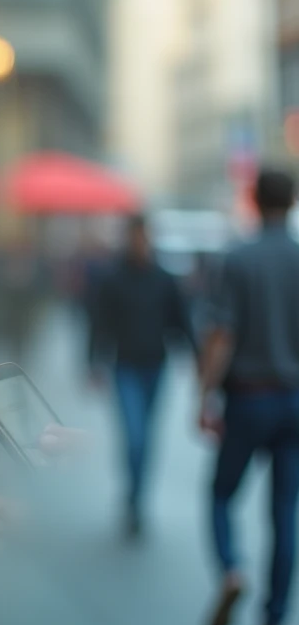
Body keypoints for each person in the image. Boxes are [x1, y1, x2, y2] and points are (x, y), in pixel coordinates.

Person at [199, 168, 299, 625]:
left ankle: (232, 569)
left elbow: (222, 335)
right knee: (285, 514)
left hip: (249, 399)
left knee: (219, 495)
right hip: (295, 403)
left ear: (255, 200)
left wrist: (204, 397)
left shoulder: (238, 258)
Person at [88, 213, 196, 538]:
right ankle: (133, 496)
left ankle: (138, 498)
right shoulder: (113, 278)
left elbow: (181, 320)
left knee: (147, 438)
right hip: (125, 367)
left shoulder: (164, 278)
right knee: (134, 436)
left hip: (155, 366)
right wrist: (92, 361)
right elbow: (98, 322)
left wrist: (197, 357)